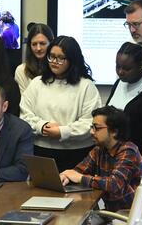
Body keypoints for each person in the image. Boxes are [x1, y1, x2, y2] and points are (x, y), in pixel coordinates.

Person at [20, 36, 102, 172]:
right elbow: (24, 114)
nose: (54, 62)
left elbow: (90, 123)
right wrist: (42, 126)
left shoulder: (86, 86)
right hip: (41, 150)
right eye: (51, 56)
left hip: (77, 153)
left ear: (72, 60)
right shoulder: (37, 83)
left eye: (60, 58)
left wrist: (62, 132)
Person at [60, 106, 142, 212]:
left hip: (131, 214)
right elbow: (78, 171)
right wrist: (66, 176)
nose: (91, 132)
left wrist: (80, 177)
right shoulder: (99, 150)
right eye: (91, 127)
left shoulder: (128, 151)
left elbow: (114, 184)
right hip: (112, 213)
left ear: (114, 131)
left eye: (97, 128)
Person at [107, 42, 142, 163]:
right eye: (118, 66)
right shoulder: (119, 83)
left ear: (140, 65)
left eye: (127, 68)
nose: (120, 72)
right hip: (115, 154)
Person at [15, 23, 54, 94]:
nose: (38, 48)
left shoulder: (56, 67)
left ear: (51, 44)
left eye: (42, 43)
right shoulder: (21, 70)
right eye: (34, 44)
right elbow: (25, 101)